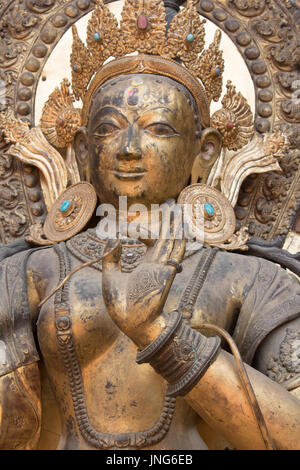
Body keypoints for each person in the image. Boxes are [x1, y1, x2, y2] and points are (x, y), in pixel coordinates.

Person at [0, 0, 299, 451]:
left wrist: (157, 333)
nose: (129, 149)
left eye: (159, 129)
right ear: (81, 149)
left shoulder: (255, 279)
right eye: (108, 129)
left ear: (206, 151)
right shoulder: (28, 273)